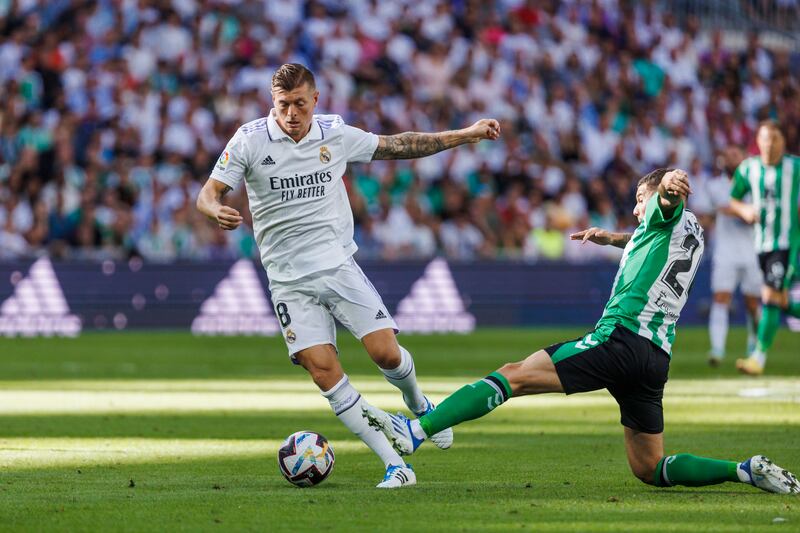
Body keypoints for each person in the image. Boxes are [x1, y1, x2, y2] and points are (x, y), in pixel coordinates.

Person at [363, 168, 799, 494]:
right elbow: (646, 232)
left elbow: (665, 203)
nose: (635, 208)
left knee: (512, 374)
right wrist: (611, 237)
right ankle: (742, 469)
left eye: (638, 199)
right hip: (654, 359)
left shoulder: (667, 212)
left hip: (620, 337)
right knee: (650, 468)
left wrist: (668, 184)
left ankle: (415, 432)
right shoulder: (690, 235)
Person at [196, 63, 501, 488]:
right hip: (287, 280)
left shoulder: (334, 134)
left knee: (386, 355)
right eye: (283, 105)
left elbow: (401, 145)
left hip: (338, 266)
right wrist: (215, 210)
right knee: (324, 371)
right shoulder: (250, 140)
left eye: (300, 104)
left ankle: (419, 404)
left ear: (315, 100)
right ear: (272, 103)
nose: (291, 114)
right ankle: (397, 465)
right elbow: (208, 193)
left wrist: (465, 134)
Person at [728, 121, 800, 376]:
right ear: (758, 142)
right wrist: (744, 209)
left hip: (786, 244)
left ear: (783, 141)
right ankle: (757, 357)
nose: (770, 144)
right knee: (777, 299)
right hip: (761, 246)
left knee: (769, 296)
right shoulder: (749, 169)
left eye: (775, 139)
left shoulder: (795, 166)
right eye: (765, 139)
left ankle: (757, 357)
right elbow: (733, 198)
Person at [705, 146, 762, 366]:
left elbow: (752, 214)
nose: (731, 159)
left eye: (735, 155)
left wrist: (732, 209)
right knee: (720, 298)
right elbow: (720, 210)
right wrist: (742, 210)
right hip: (725, 252)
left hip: (752, 250)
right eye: (728, 156)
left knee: (752, 303)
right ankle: (717, 350)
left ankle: (754, 346)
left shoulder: (754, 184)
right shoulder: (714, 185)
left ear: (744, 160)